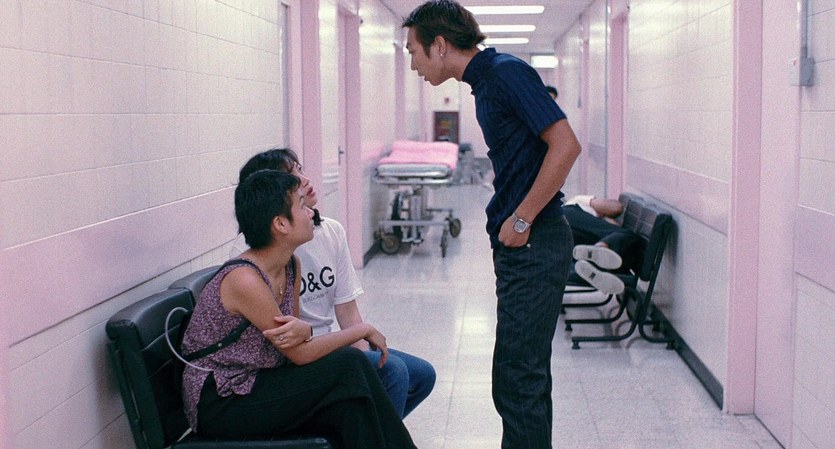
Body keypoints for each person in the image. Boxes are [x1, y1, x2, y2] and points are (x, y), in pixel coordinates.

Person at [403, 2, 581, 448]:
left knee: (517, 379)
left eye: (413, 52)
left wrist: (522, 218)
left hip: (535, 240)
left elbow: (565, 145)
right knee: (522, 376)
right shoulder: (485, 83)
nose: (413, 65)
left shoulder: (504, 73)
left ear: (439, 45)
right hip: (523, 244)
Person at [180, 170, 416, 448]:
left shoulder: (291, 264)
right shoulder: (245, 279)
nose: (311, 212)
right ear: (280, 223)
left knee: (351, 406)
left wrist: (304, 331)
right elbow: (300, 353)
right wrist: (360, 330)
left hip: (259, 381)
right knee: (350, 363)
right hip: (221, 401)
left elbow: (294, 341)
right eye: (302, 205)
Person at [230, 149, 435, 418]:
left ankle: (366, 432)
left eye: (300, 169)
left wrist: (364, 360)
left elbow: (347, 311)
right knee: (393, 372)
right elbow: (283, 338)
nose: (304, 180)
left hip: (328, 344)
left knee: (420, 375)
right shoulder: (251, 254)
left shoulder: (328, 232)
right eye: (292, 177)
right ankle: (373, 434)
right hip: (290, 356)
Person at [562, 195, 643, 295]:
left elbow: (616, 209)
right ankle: (600, 249)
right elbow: (616, 208)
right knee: (625, 235)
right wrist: (592, 202)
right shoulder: (577, 201)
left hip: (570, 244)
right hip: (567, 219)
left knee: (570, 263)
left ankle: (595, 262)